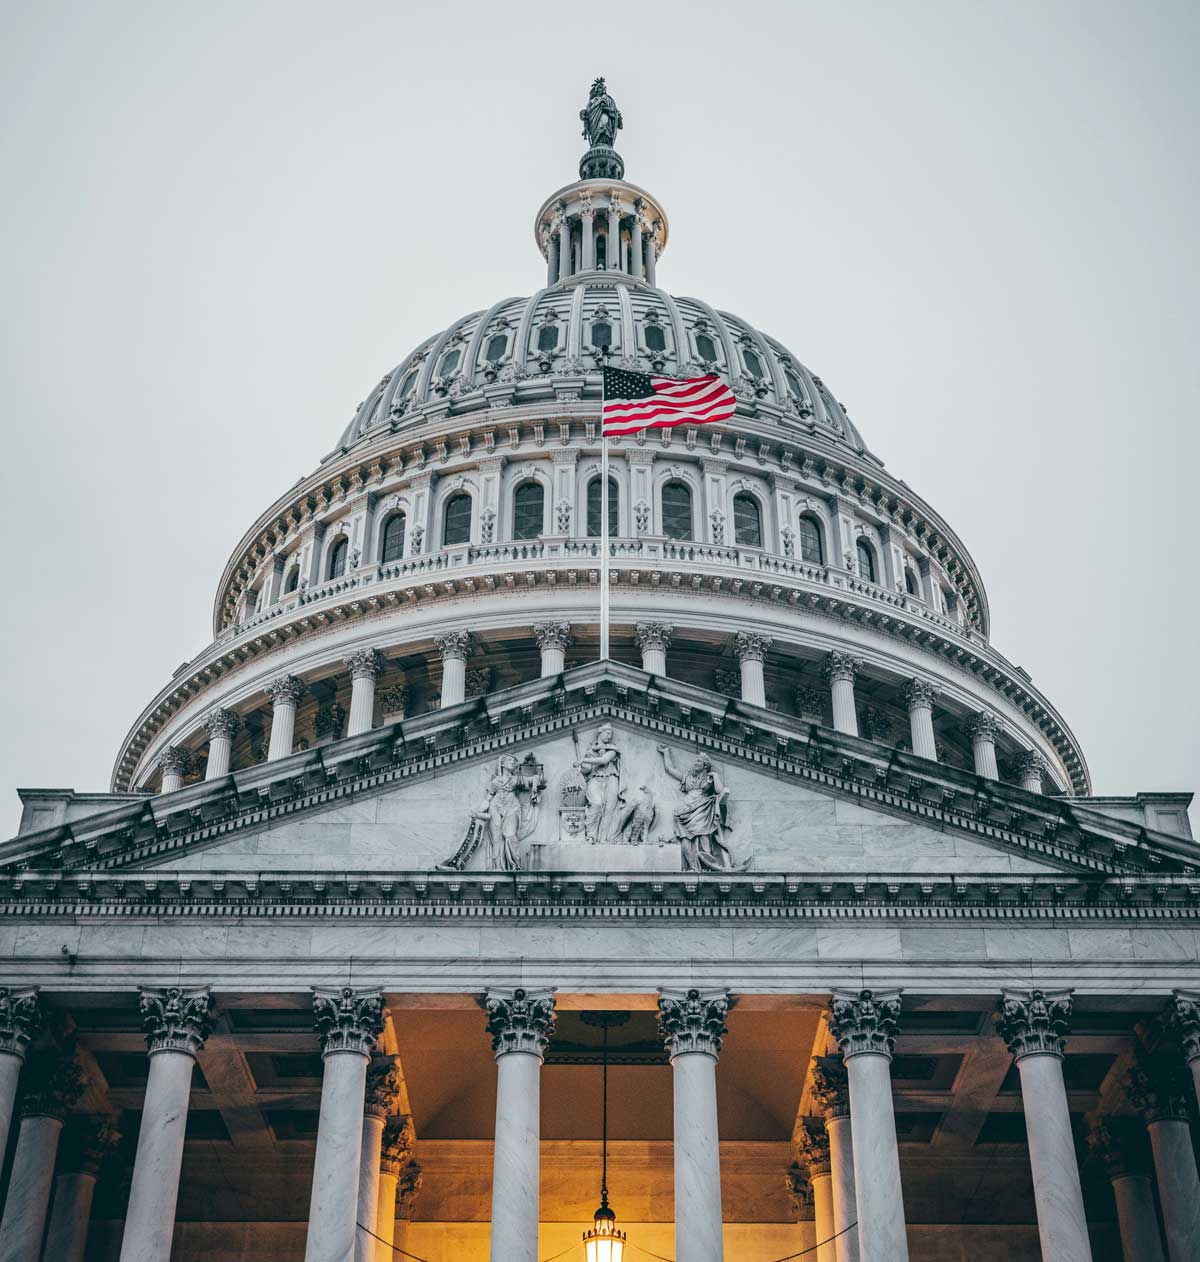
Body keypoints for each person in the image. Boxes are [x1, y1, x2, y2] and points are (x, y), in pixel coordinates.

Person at [657, 745, 736, 871]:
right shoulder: (687, 777)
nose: (695, 763)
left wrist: (715, 775)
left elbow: (720, 791)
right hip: (684, 812)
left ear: (705, 765)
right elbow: (669, 769)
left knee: (703, 837)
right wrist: (666, 752)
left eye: (699, 761)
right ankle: (692, 866)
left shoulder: (709, 778)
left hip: (702, 809)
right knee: (684, 841)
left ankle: (707, 865)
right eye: (696, 761)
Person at [577, 724, 624, 844]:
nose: (609, 736)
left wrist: (583, 760)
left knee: (609, 809)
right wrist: (582, 767)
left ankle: (603, 839)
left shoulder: (612, 749)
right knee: (596, 804)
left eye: (611, 734)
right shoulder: (590, 751)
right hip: (595, 778)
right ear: (600, 733)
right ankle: (591, 836)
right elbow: (587, 770)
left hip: (611, 779)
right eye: (607, 733)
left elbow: (603, 760)